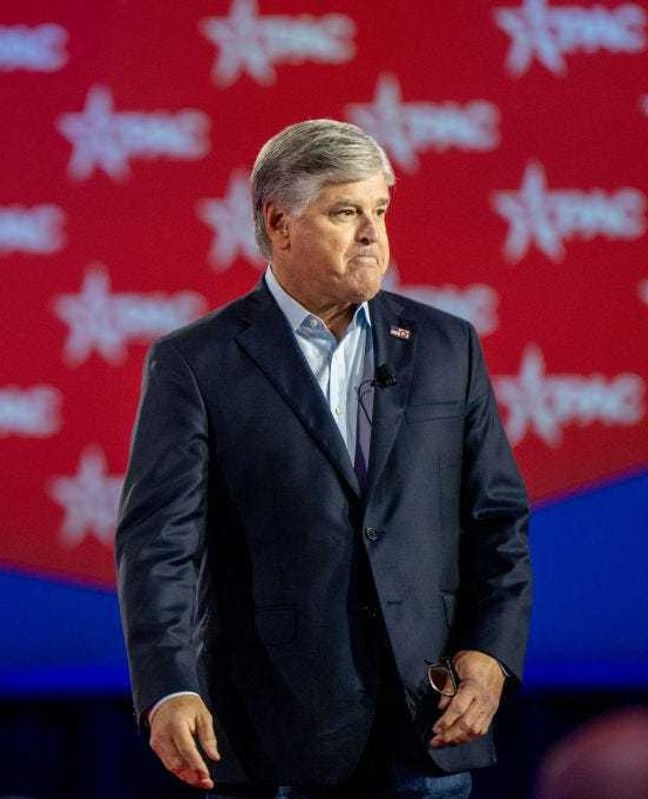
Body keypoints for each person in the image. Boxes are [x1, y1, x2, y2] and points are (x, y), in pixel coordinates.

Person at [114, 119, 532, 798]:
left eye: (381, 210)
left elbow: (498, 520)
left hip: (427, 729)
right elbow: (159, 543)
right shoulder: (197, 363)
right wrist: (168, 685)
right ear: (279, 224)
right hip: (273, 734)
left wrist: (490, 656)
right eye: (346, 212)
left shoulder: (447, 346)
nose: (373, 233)